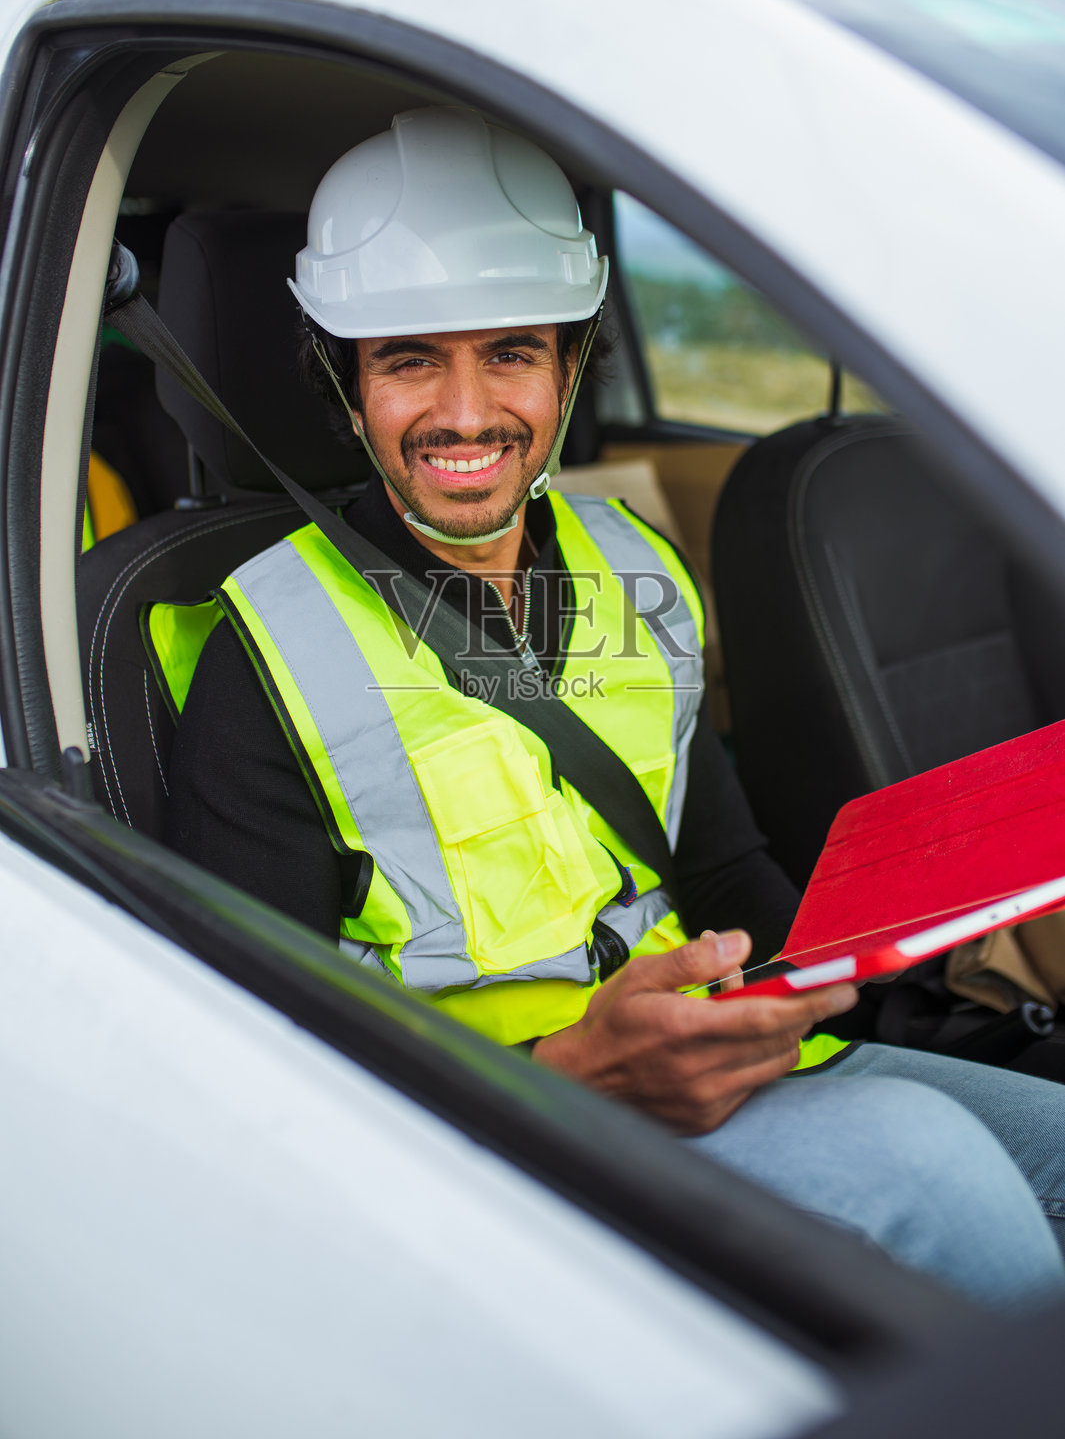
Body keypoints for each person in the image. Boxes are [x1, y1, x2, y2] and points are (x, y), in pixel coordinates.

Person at [164, 107, 1065, 1308]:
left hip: (725, 1048)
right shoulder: (263, 650)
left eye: (513, 351)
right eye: (408, 357)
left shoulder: (630, 559)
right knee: (931, 1166)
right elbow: (258, 1061)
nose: (468, 413)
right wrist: (577, 1076)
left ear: (573, 365)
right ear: (346, 380)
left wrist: (847, 962)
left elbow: (724, 866)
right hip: (500, 1129)